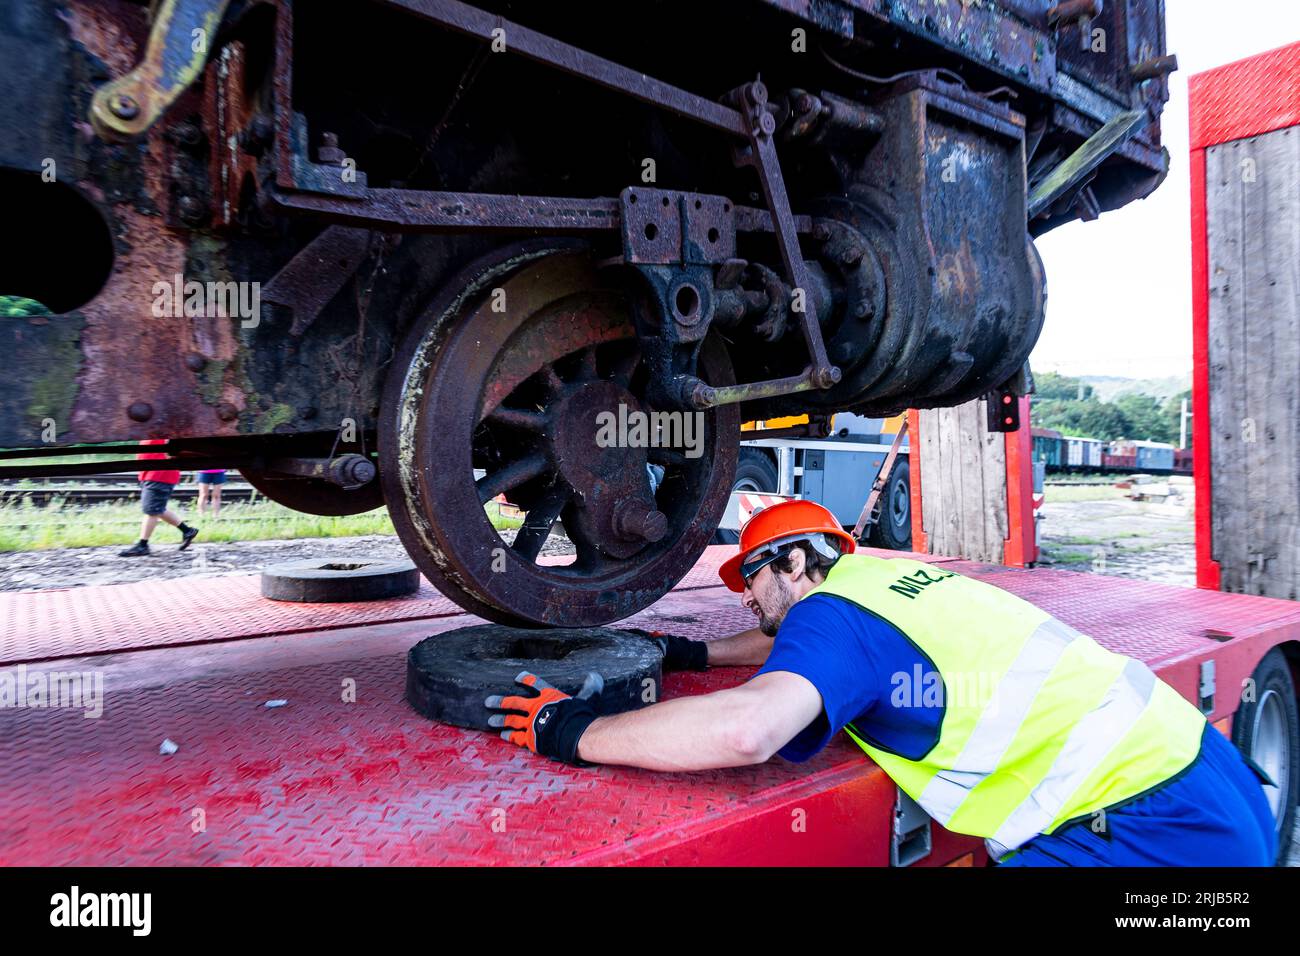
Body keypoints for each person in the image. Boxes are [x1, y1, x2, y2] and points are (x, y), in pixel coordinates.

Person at [483, 498, 1278, 866]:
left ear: (792, 562)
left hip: (1151, 835)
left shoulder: (829, 618)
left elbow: (746, 731)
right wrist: (693, 656)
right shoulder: (895, 581)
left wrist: (573, 732)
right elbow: (849, 657)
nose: (746, 600)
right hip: (1210, 780)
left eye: (751, 583)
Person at [118, 439, 200, 557]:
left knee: (152, 510)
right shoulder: (153, 429)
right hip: (152, 473)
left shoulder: (161, 428)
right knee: (157, 509)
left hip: (159, 474)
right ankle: (187, 531)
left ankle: (143, 545)